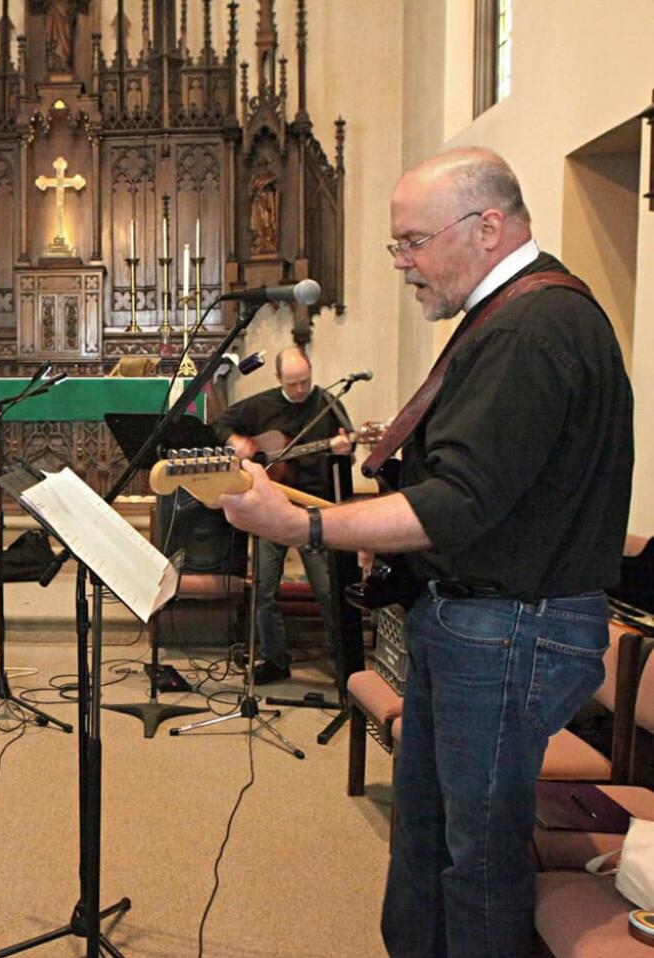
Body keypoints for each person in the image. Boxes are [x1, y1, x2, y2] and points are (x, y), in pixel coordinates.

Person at [217, 148, 633, 958]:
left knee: (473, 861)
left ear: (487, 228)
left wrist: (306, 527)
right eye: (395, 245)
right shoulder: (503, 318)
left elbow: (458, 504)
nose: (402, 264)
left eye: (412, 242)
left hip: (511, 629)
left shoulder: (536, 326)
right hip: (476, 621)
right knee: (428, 838)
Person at [211, 346, 353, 684]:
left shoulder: (328, 404)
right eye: (293, 384)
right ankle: (276, 659)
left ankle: (343, 660)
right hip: (270, 507)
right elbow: (220, 424)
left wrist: (347, 447)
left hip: (313, 507)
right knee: (264, 589)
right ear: (278, 379)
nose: (301, 390)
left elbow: (350, 445)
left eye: (305, 381)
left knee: (327, 589)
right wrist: (236, 441)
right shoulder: (260, 406)